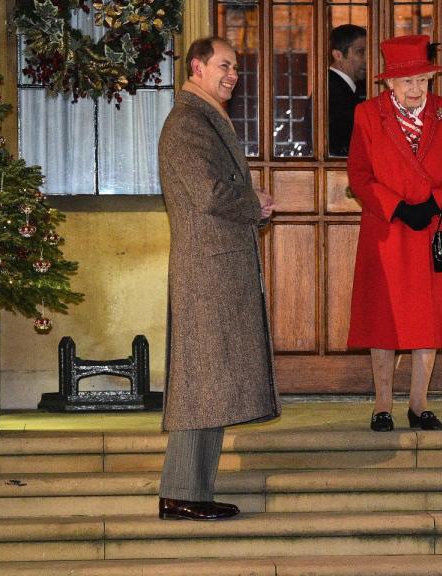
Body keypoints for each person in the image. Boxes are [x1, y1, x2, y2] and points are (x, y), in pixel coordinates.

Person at [157, 37, 280, 521]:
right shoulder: (188, 121)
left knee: (210, 381)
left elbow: (214, 191)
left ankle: (193, 491)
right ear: (197, 66)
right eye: (224, 65)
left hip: (216, 264)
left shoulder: (204, 116)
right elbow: (208, 194)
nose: (232, 74)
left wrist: (253, 204)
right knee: (200, 382)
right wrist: (253, 202)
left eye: (235, 67)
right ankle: (181, 492)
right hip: (206, 269)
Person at [346, 34, 442, 432]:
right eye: (407, 82)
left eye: (423, 80)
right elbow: (359, 176)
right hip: (386, 230)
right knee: (383, 319)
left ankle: (419, 404)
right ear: (388, 83)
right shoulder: (368, 115)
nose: (416, 89)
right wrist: (398, 207)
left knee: (427, 320)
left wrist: (436, 203)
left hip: (432, 229)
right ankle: (382, 405)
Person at [328, 24, 368, 157]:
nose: (367, 60)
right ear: (338, 55)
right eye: (361, 52)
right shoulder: (333, 91)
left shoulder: (336, 86)